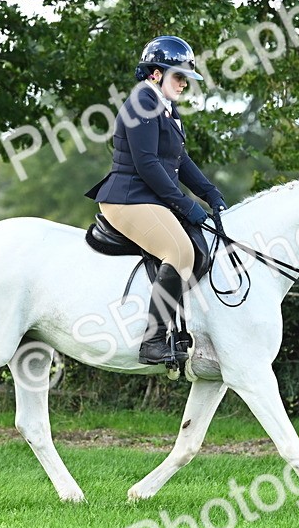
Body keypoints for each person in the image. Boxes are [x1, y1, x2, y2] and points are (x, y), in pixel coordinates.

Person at [85, 35, 227, 366]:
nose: (183, 85)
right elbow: (148, 164)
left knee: (200, 245)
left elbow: (180, 159)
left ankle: (183, 329)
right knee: (179, 251)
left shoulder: (166, 108)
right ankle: (152, 341)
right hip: (127, 198)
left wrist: (209, 192)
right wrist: (185, 204)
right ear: (155, 74)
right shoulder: (141, 104)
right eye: (178, 77)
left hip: (148, 198)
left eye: (186, 79)